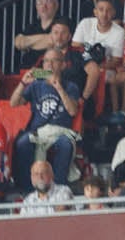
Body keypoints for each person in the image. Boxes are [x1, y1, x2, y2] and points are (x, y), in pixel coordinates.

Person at [11, 46, 82, 192]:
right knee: (22, 142)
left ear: (63, 65)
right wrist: (23, 83)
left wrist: (59, 88)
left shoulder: (70, 86)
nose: (49, 65)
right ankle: (28, 189)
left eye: (54, 61)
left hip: (61, 131)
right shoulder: (36, 85)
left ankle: (59, 188)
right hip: (39, 131)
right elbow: (13, 103)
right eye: (46, 61)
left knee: (65, 144)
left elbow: (72, 111)